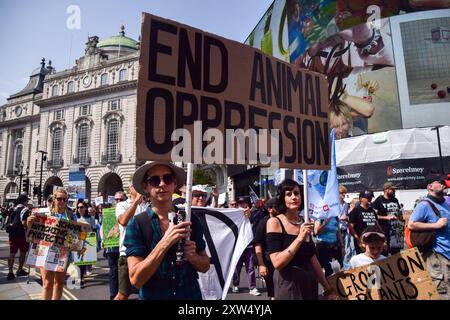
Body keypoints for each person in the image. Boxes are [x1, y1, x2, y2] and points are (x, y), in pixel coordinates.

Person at [124, 161, 210, 300]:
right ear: (145, 187)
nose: (162, 184)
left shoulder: (189, 219)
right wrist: (165, 243)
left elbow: (205, 266)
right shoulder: (138, 224)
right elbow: (136, 279)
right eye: (154, 180)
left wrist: (193, 257)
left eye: (167, 178)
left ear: (174, 184)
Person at [266, 179, 336, 300]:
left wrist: (327, 289)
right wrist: (299, 238)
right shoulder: (274, 222)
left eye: (297, 193)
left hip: (309, 284)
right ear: (282, 198)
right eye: (289, 194)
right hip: (288, 284)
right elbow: (277, 263)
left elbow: (313, 259)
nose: (294, 197)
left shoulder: (305, 222)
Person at [27, 188, 77, 300]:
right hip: (45, 251)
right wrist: (29, 224)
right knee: (47, 283)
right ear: (54, 199)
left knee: (58, 284)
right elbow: (33, 233)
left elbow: (76, 235)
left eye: (65, 199)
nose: (62, 202)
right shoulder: (43, 213)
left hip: (62, 253)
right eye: (59, 199)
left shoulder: (70, 214)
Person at [408, 173, 450, 300]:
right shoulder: (424, 205)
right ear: (430, 186)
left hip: (447, 254)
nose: (443, 184)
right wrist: (436, 225)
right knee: (442, 292)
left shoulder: (445, 204)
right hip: (437, 255)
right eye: (440, 182)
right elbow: (411, 224)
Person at [115, 188, 147, 300]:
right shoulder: (122, 205)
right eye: (135, 185)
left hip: (146, 254)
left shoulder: (147, 206)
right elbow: (123, 221)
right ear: (130, 189)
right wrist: (135, 202)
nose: (139, 188)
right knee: (123, 294)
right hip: (127, 253)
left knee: (147, 291)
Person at [232, 197, 261, 296]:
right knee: (237, 267)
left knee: (250, 267)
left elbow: (253, 218)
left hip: (248, 245)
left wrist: (250, 213)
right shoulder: (234, 214)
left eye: (243, 202)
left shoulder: (251, 213)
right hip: (238, 245)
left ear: (246, 203)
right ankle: (235, 284)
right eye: (239, 203)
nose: (241, 204)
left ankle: (252, 287)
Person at [253, 197, 277, 299]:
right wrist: (262, 264)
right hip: (269, 262)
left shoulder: (284, 221)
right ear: (270, 209)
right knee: (273, 292)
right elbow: (258, 244)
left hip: (282, 262)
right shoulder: (264, 222)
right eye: (277, 206)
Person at [372, 182, 404, 255]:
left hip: (397, 229)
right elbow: (374, 216)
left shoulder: (395, 200)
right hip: (384, 229)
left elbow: (399, 213)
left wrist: (401, 222)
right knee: (384, 251)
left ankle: (395, 266)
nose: (394, 191)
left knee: (396, 252)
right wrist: (386, 217)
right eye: (392, 189)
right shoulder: (379, 200)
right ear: (386, 190)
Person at [6, 194, 31, 280]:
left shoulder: (12, 208)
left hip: (12, 234)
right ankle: (20, 269)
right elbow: (24, 223)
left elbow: (7, 221)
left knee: (12, 253)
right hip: (21, 234)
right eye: (27, 201)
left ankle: (10, 272)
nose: (28, 202)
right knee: (23, 252)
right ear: (24, 201)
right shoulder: (25, 209)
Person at [314, 213, 344, 277]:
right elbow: (316, 232)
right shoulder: (320, 217)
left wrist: (342, 247)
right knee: (329, 270)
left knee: (339, 268)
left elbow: (338, 233)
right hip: (323, 248)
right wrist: (324, 223)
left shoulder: (335, 217)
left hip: (334, 248)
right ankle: (327, 286)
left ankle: (335, 285)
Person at [338, 185, 356, 269]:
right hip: (337, 230)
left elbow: (346, 215)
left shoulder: (345, 204)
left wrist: (347, 218)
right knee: (339, 250)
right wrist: (341, 218)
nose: (344, 194)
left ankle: (346, 268)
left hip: (344, 229)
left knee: (347, 250)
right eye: (342, 192)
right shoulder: (335, 203)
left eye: (345, 192)